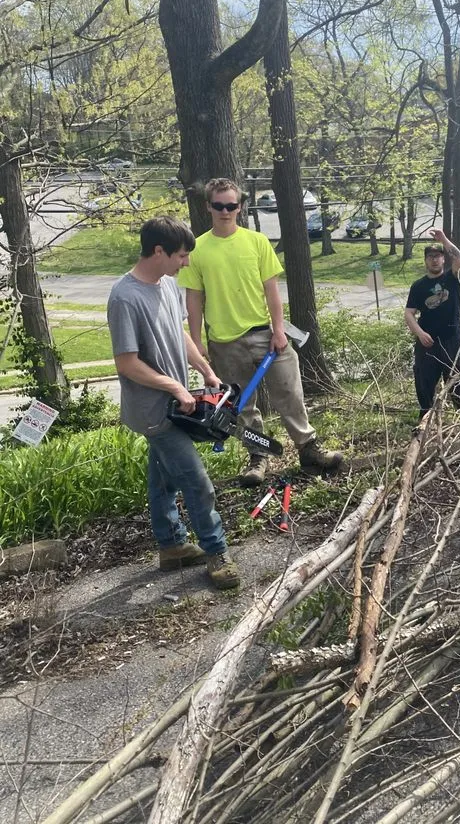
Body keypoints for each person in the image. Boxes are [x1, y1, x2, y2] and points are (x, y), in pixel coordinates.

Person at [179, 177, 343, 487]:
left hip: (265, 335)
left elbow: (272, 291)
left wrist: (279, 330)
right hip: (224, 342)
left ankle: (309, 449)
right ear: (208, 207)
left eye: (231, 205)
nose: (225, 211)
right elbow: (194, 299)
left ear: (240, 207)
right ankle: (258, 456)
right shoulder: (198, 249)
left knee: (289, 391)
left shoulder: (256, 242)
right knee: (242, 405)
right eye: (218, 206)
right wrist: (197, 341)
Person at [107, 216, 240, 590]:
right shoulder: (124, 298)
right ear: (158, 251)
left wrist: (206, 370)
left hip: (176, 403)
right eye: (181, 255)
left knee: (163, 478)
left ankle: (171, 546)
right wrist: (174, 388)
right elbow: (127, 363)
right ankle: (217, 552)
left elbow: (178, 333)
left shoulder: (166, 284)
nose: (186, 262)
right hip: (154, 410)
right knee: (197, 482)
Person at [405, 229, 460, 419]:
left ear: (443, 259)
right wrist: (419, 333)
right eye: (430, 257)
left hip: (453, 340)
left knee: (459, 382)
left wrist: (444, 240)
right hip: (428, 343)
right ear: (426, 260)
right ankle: (425, 421)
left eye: (438, 256)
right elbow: (409, 313)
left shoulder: (452, 278)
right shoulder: (418, 286)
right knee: (424, 384)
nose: (434, 260)